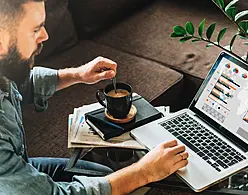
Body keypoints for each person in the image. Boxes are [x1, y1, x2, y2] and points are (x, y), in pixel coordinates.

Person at [0, 0, 189, 194]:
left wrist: (78, 74)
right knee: (131, 181)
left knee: (105, 174)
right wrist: (145, 172)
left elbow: (19, 83)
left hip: (19, 165)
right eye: (35, 29)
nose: (45, 35)